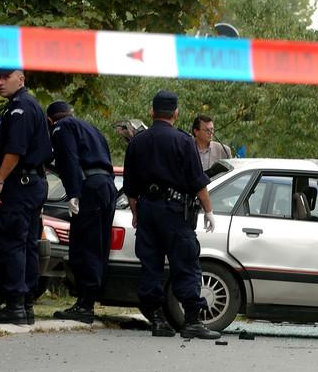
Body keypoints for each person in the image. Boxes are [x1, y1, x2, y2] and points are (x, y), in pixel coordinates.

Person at [123, 90, 220, 339]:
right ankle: (192, 321)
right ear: (175, 113)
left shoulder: (137, 141)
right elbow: (198, 182)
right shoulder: (184, 141)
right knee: (186, 263)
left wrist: (136, 213)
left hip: (147, 210)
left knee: (151, 265)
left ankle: (158, 320)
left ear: (152, 112)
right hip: (176, 213)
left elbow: (131, 186)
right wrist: (209, 211)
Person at [0, 69, 52, 325]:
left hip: (19, 183)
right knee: (28, 243)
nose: (0, 83)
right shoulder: (29, 104)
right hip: (32, 183)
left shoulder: (19, 108)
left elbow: (14, 150)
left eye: (5, 77)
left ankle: (14, 305)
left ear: (20, 78)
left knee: (12, 242)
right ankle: (25, 305)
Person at [46, 101, 117, 324]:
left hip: (89, 188)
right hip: (105, 186)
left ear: (50, 121)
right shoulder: (90, 128)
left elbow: (69, 159)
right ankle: (90, 300)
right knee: (99, 245)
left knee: (84, 245)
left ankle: (84, 306)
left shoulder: (61, 127)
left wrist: (74, 192)